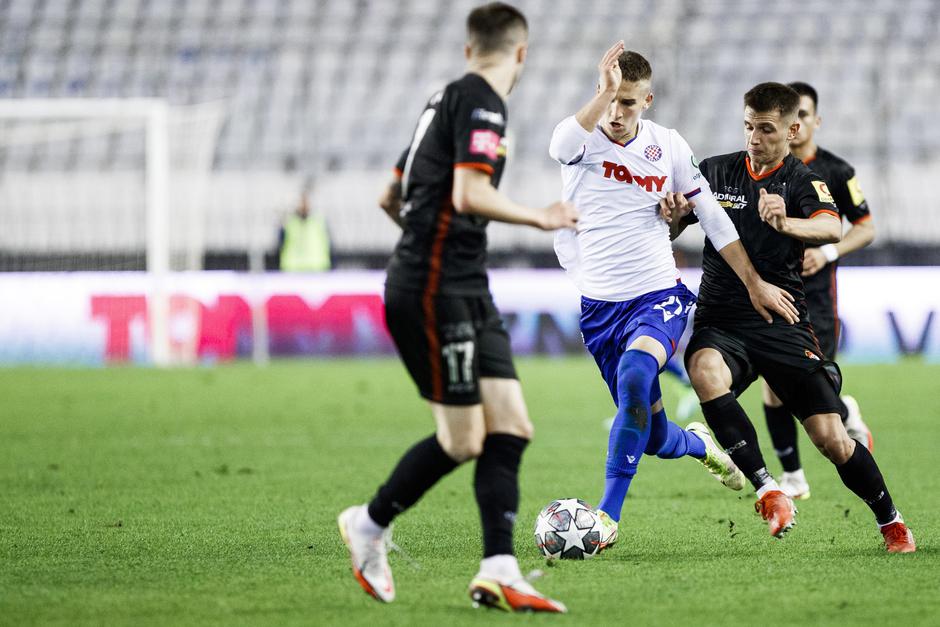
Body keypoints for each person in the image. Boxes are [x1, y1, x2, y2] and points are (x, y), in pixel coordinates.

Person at [337, 3, 577, 613]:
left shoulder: (441, 99)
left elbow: (390, 194)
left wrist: (429, 237)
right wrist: (540, 215)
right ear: (521, 53)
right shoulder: (484, 103)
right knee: (465, 438)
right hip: (438, 288)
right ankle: (368, 523)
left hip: (460, 281)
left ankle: (500, 569)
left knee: (513, 426)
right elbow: (469, 192)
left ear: (471, 48)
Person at [548, 43, 801, 548]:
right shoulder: (578, 139)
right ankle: (697, 447)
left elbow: (711, 216)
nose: (617, 114)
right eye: (610, 99)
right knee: (655, 436)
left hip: (657, 292)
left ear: (648, 100)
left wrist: (753, 283)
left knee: (637, 371)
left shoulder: (668, 146)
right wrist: (601, 94)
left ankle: (607, 517)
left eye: (628, 103)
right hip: (599, 306)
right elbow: (559, 144)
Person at [674, 82, 914, 552]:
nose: (754, 138)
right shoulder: (715, 171)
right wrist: (672, 215)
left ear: (792, 129)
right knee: (703, 370)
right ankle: (769, 488)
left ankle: (891, 519)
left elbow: (831, 225)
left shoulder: (804, 179)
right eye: (748, 126)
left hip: (782, 320)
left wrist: (787, 223)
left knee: (832, 439)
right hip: (722, 318)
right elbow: (677, 221)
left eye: (765, 129)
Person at [761, 81, 876, 500]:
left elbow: (866, 229)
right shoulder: (765, 167)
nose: (799, 124)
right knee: (774, 385)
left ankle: (845, 411)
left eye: (806, 116)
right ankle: (793, 476)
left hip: (818, 303)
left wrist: (827, 252)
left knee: (807, 389)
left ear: (814, 120)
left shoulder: (837, 172)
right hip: (776, 294)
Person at [277, 190, 332, 272]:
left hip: (317, 269)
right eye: (301, 202)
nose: (304, 205)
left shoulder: (319, 221)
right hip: (293, 269)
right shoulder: (288, 222)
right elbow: (280, 243)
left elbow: (329, 244)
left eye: (306, 202)